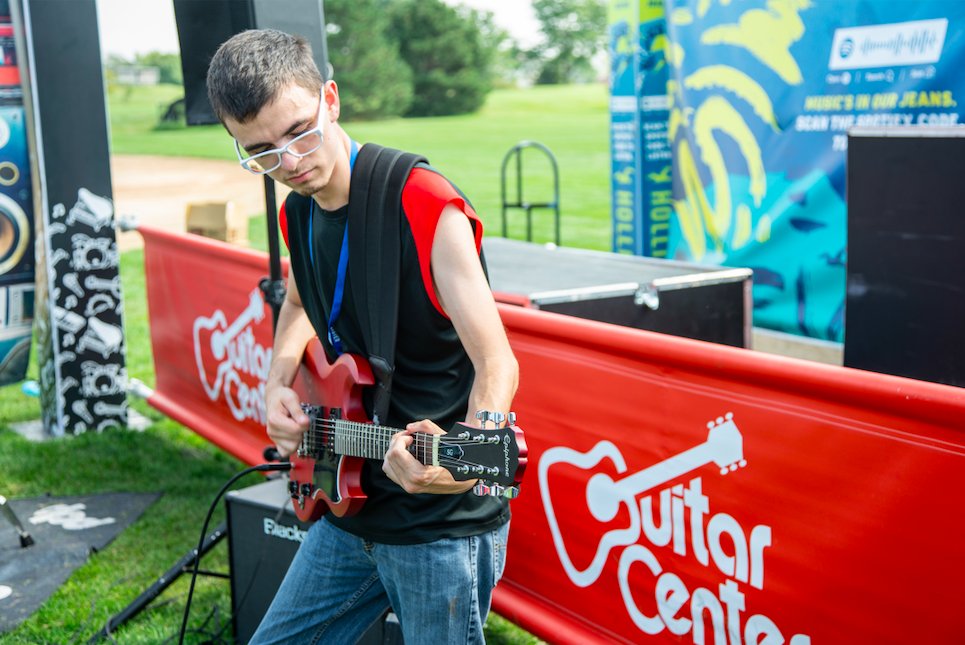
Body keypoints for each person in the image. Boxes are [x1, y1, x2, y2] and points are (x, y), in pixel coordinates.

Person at [205, 29, 519, 644]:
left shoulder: (423, 202)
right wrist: (275, 381)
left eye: (300, 130)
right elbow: (299, 298)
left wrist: (466, 460)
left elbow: (497, 363)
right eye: (260, 152)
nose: (289, 163)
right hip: (347, 505)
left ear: (331, 98)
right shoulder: (296, 211)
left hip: (438, 525)